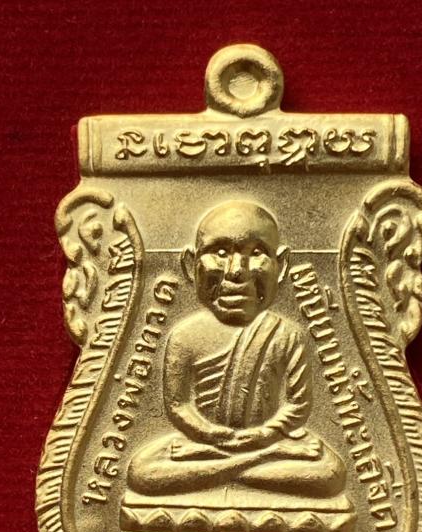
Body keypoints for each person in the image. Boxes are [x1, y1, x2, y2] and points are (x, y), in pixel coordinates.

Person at [127, 200, 346, 497]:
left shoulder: (287, 334)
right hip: (205, 444)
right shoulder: (184, 335)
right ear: (190, 265)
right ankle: (250, 465)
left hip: (265, 443)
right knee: (142, 470)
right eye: (220, 252)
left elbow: (298, 405)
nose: (236, 271)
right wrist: (210, 434)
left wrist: (264, 435)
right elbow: (178, 405)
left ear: (281, 266)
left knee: (330, 473)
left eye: (256, 254)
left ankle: (229, 468)